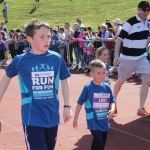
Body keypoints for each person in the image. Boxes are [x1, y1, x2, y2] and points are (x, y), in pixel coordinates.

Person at [0, 20, 73, 150]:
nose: (47, 40)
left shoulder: (56, 58)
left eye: (49, 36)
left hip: (52, 116)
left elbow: (64, 80)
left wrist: (67, 105)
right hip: (31, 118)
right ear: (29, 39)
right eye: (42, 37)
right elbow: (6, 77)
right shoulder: (20, 60)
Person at [113, 1, 150, 116]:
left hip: (142, 56)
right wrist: (116, 56)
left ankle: (141, 108)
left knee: (146, 80)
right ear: (138, 10)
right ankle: (113, 103)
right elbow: (119, 40)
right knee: (120, 82)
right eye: (144, 10)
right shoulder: (130, 22)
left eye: (148, 10)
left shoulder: (149, 22)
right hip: (128, 58)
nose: (146, 12)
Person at [73, 59, 115, 150]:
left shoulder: (107, 87)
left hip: (104, 119)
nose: (102, 75)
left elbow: (112, 100)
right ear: (91, 74)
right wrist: (75, 118)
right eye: (98, 73)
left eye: (103, 72)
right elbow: (80, 103)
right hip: (93, 120)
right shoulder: (88, 87)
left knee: (102, 142)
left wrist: (112, 109)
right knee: (98, 140)